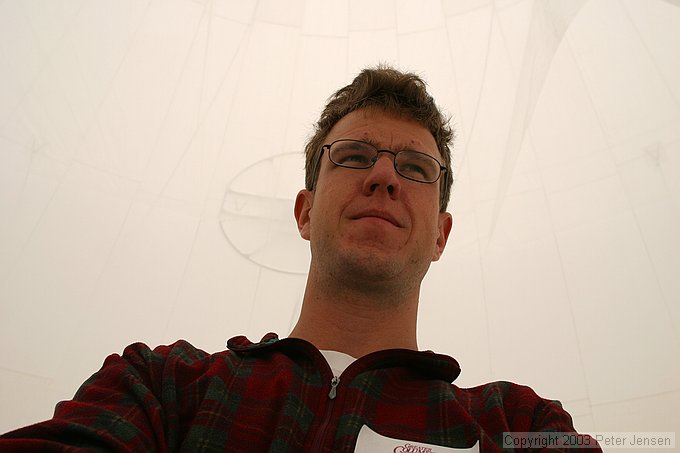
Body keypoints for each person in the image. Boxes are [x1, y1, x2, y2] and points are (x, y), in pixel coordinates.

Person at [0, 65, 600, 452]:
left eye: (416, 168)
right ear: (305, 211)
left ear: (441, 234)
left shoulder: (518, 423)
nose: (385, 175)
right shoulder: (162, 387)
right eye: (354, 156)